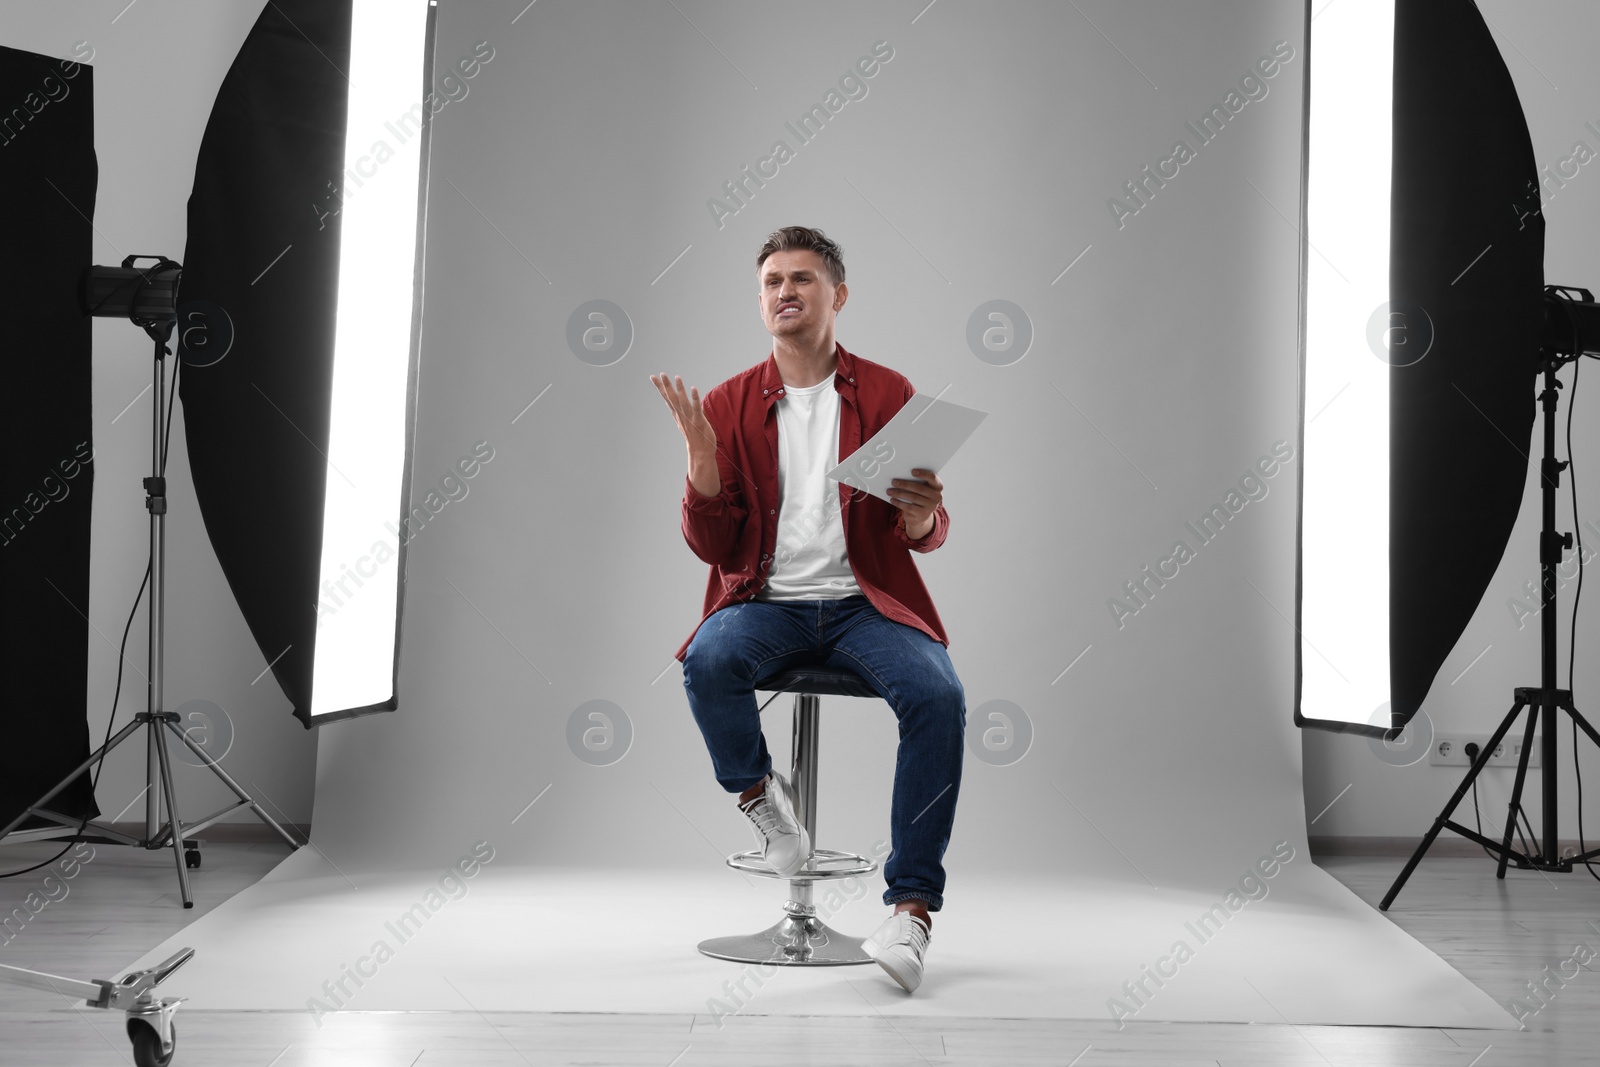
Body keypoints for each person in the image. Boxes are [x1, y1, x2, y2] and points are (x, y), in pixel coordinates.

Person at [649, 225, 966, 993]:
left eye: (802, 279)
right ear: (761, 301)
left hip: (867, 606)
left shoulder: (888, 393)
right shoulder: (727, 403)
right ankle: (764, 801)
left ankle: (911, 912)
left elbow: (923, 529)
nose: (784, 291)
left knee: (940, 694)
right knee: (708, 658)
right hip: (767, 603)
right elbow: (712, 546)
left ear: (838, 296)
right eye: (772, 282)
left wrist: (923, 516)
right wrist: (700, 472)